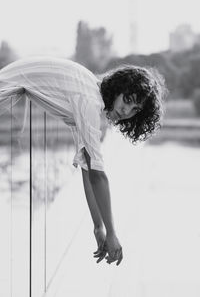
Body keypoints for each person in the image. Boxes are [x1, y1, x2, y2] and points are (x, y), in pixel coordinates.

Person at [0, 56, 167, 266]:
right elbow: (98, 176)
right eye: (127, 100)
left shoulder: (89, 92)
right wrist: (112, 233)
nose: (126, 111)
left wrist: (99, 226)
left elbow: (88, 167)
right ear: (117, 90)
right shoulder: (89, 101)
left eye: (135, 109)